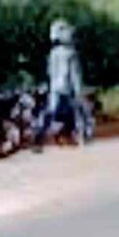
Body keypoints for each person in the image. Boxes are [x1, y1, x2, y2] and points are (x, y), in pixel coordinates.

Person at [34, 19, 84, 149]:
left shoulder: (53, 53)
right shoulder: (71, 53)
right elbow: (75, 74)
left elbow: (50, 72)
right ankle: (66, 137)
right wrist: (78, 91)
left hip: (54, 87)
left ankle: (39, 139)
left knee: (50, 113)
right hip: (66, 89)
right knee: (70, 113)